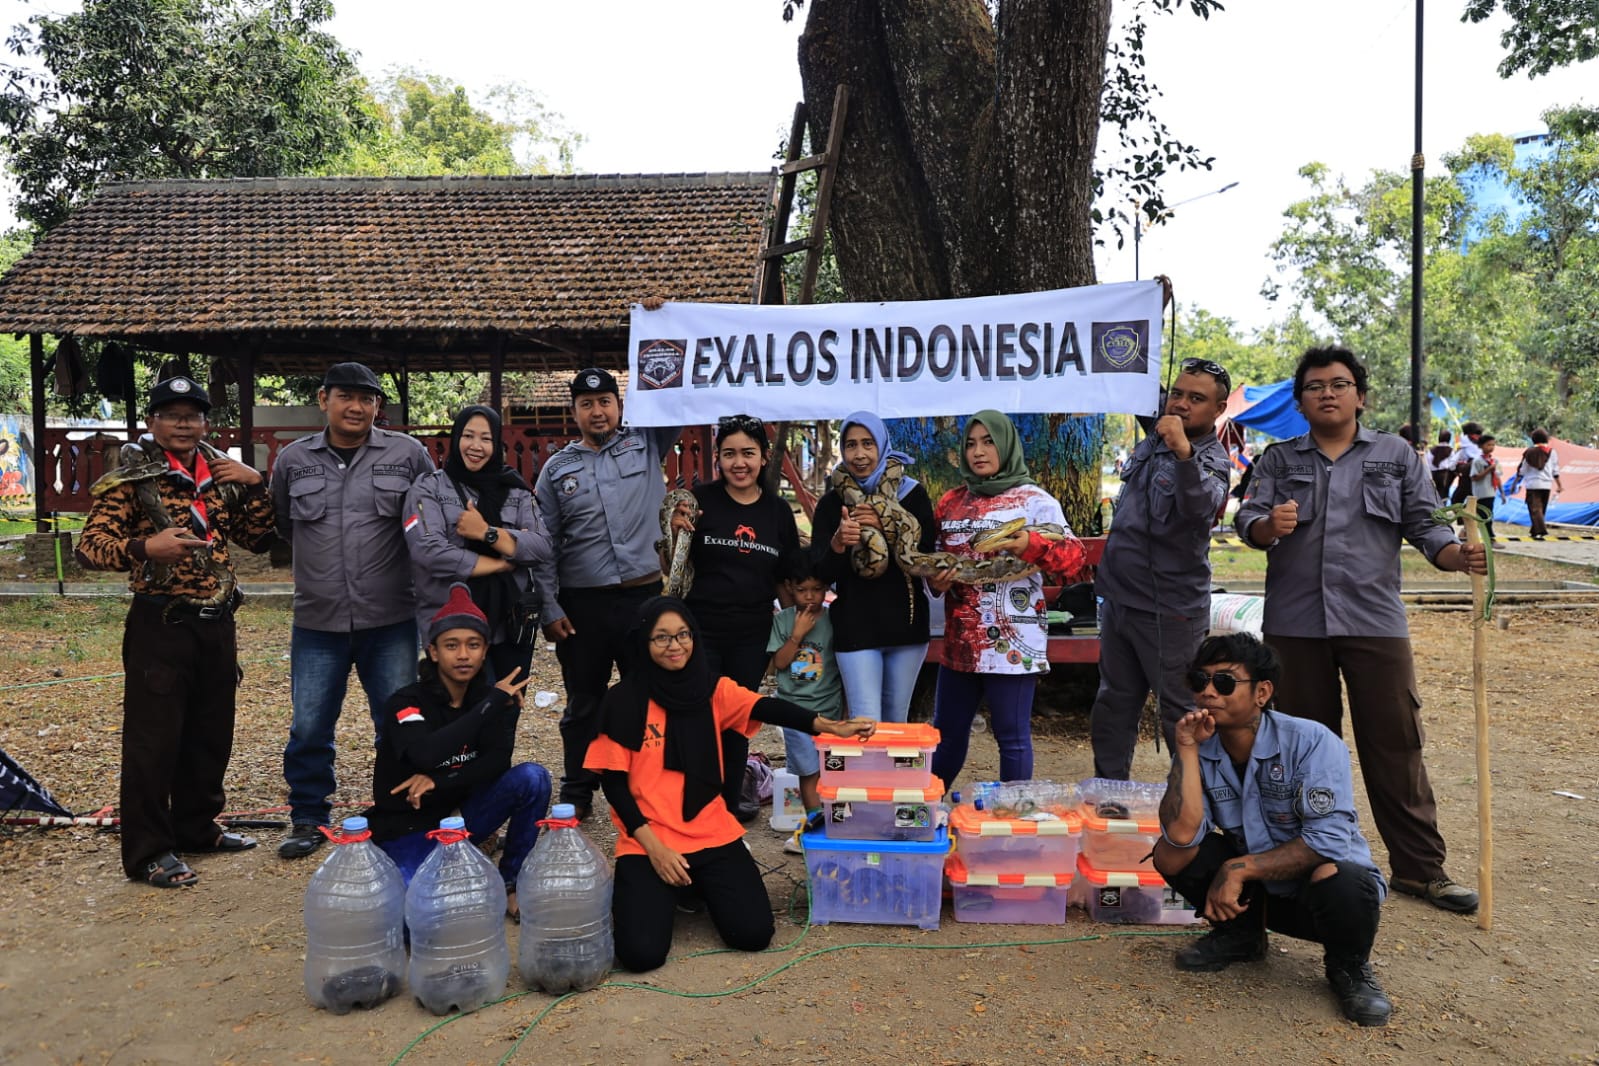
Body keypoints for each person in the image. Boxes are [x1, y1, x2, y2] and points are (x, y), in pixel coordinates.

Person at [1236, 346, 1486, 914]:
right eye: (1315, 386)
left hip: (1374, 621)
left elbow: (1427, 527)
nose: (1327, 393)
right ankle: (1302, 865)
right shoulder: (1278, 460)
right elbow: (1247, 517)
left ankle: (1420, 871)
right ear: (1300, 402)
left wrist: (1457, 557)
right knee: (1299, 749)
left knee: (1396, 743)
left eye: (1339, 384)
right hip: (1295, 625)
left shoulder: (1396, 456)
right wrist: (1267, 525)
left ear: (1360, 397)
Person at [585, 596, 876, 972]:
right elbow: (614, 786)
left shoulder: (712, 690)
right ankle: (666, 889)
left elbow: (765, 707)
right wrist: (655, 850)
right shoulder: (623, 702)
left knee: (753, 933)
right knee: (641, 954)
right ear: (643, 641)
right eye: (662, 637)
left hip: (711, 832)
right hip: (650, 840)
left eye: (683, 634)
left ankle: (693, 886)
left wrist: (831, 726)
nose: (675, 645)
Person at [76, 376, 277, 887]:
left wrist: (256, 484)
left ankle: (196, 827)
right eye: (172, 414)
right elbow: (89, 548)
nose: (184, 424)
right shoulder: (131, 479)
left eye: (193, 415)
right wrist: (146, 548)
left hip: (217, 621)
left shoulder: (220, 474)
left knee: (211, 733)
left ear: (206, 423)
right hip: (161, 622)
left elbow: (257, 538)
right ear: (153, 422)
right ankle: (148, 851)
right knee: (154, 741)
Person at [1153, 633, 1391, 1027]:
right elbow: (1181, 834)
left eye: (1224, 681)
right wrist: (1187, 750)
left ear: (1262, 692)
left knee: (1343, 877)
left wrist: (1238, 868)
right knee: (1169, 852)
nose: (1208, 692)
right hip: (1256, 896)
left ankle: (1349, 967)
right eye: (1200, 680)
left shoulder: (1312, 742)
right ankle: (1240, 936)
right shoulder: (1201, 745)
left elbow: (1329, 840)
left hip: (1320, 897)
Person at [272, 362, 437, 860]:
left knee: (398, 721)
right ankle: (308, 816)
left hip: (390, 618)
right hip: (317, 620)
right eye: (346, 396)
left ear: (377, 406)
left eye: (367, 399)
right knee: (310, 725)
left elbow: (430, 519)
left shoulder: (408, 455)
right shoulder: (293, 460)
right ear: (324, 400)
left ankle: (399, 812)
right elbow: (284, 523)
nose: (356, 407)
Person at [532, 366, 682, 820]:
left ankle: (650, 785)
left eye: (605, 402)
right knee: (584, 702)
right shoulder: (556, 470)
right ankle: (578, 791)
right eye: (586, 404)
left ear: (620, 405)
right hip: (584, 606)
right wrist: (549, 606)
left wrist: (665, 339)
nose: (597, 411)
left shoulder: (648, 442)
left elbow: (676, 396)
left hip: (644, 600)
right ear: (573, 411)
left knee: (650, 696)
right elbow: (543, 544)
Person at [364, 584, 552, 919]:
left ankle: (511, 880)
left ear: (484, 652)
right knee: (415, 920)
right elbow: (424, 754)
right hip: (408, 828)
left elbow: (496, 763)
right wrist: (490, 706)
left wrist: (439, 780)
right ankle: (441, 869)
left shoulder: (488, 700)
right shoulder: (406, 702)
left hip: (461, 818)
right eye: (452, 645)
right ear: (433, 652)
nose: (463, 655)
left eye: (473, 645)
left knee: (533, 778)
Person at [926, 411, 1089, 790]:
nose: (978, 451)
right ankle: (925, 813)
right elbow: (934, 564)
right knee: (946, 736)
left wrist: (1031, 543)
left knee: (1011, 737)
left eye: (989, 442)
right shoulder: (950, 502)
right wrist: (936, 581)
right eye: (971, 443)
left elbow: (1074, 561)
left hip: (1013, 642)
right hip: (961, 641)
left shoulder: (1035, 502)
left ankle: (1013, 819)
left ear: (1007, 445)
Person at [1089, 357, 1232, 779]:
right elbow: (1132, 370)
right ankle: (1109, 796)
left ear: (1218, 409)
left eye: (1197, 398)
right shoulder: (1158, 427)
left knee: (1181, 712)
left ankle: (1193, 803)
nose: (1182, 404)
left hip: (1170, 611)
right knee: (1113, 704)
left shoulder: (1212, 459)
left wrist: (1183, 453)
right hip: (1119, 600)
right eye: (1178, 393)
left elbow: (1200, 510)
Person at [667, 414, 800, 816]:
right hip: (699, 629)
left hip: (752, 634)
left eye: (748, 453)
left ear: (763, 457)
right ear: (718, 459)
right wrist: (674, 532)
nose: (738, 463)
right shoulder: (699, 502)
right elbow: (673, 566)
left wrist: (799, 632)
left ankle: (727, 806)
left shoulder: (778, 512)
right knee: (697, 714)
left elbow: (785, 579)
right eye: (729, 454)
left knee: (737, 719)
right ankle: (693, 805)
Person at [404, 405, 551, 685]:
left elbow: (542, 546)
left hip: (510, 624)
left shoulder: (516, 491)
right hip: (451, 621)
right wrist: (500, 562)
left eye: (486, 438)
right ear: (456, 438)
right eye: (468, 436)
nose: (476, 446)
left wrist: (487, 533)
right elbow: (428, 551)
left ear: (496, 445)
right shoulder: (429, 488)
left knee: (506, 704)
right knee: (459, 705)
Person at [809, 412, 936, 724]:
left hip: (907, 627)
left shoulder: (912, 495)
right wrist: (838, 544)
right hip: (856, 627)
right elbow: (821, 573)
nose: (859, 454)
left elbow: (925, 556)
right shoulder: (831, 504)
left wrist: (886, 525)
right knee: (865, 723)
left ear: (882, 445)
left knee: (896, 722)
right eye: (851, 445)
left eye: (868, 443)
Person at [766, 551, 844, 852]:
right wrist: (797, 635)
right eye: (802, 590)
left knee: (833, 771)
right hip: (794, 713)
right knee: (808, 773)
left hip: (830, 711)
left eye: (816, 589)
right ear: (789, 587)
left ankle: (836, 827)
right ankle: (814, 828)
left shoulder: (834, 619)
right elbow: (779, 663)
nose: (810, 597)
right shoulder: (784, 620)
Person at [1517, 429, 1563, 540]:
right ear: (1546, 439)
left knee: (1535, 509)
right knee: (1541, 509)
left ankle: (1540, 531)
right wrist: (1559, 485)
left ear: (1533, 439)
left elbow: (1522, 469)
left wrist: (1517, 480)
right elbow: (1555, 470)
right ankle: (1534, 531)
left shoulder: (1529, 452)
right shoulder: (1552, 452)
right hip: (1547, 485)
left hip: (1532, 484)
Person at [1468, 434, 1502, 542]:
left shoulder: (1495, 461)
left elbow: (1497, 477)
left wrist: (1502, 493)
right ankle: (1489, 536)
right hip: (1481, 493)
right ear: (1481, 446)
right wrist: (1488, 470)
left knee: (1489, 514)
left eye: (1493, 445)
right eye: (1488, 445)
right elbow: (1474, 477)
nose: (1491, 447)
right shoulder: (1477, 461)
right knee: (1484, 515)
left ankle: (1487, 535)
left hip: (1491, 492)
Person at [1447, 422, 1485, 508]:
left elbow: (1452, 464)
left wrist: (1456, 469)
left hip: (1467, 479)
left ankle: (1461, 515)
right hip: (1479, 481)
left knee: (1456, 500)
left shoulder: (1465, 447)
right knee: (1473, 503)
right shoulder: (1481, 448)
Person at [1427, 429, 1455, 500]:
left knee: (1432, 494)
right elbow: (1452, 465)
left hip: (1432, 474)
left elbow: (1428, 463)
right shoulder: (1451, 450)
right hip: (1445, 475)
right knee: (1443, 495)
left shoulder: (1431, 450)